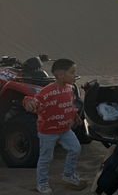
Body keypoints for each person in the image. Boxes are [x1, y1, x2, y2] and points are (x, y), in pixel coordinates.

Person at [23, 58, 86, 193]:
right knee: (46, 158)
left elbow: (68, 105)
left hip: (65, 130)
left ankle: (68, 176)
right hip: (48, 132)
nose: (75, 75)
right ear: (61, 75)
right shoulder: (48, 91)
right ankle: (42, 183)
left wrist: (74, 115)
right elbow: (33, 100)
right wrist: (28, 102)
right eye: (72, 72)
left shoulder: (69, 89)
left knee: (75, 149)